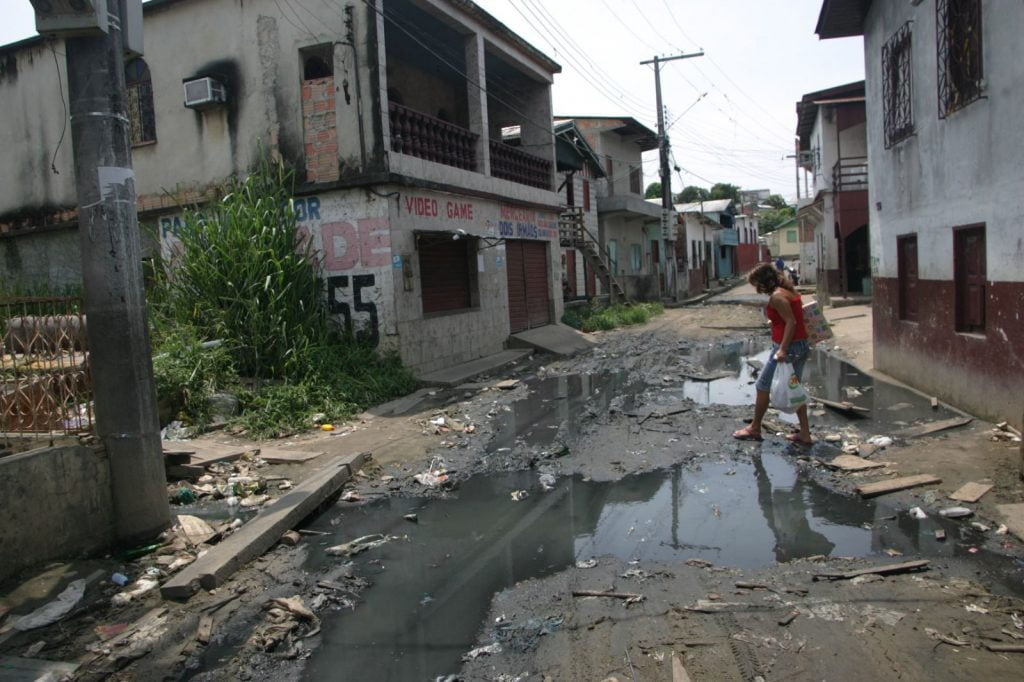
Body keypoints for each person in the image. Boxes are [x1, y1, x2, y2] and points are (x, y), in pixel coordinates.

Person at [733, 263, 813, 444]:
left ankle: (754, 428)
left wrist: (782, 349)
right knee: (795, 389)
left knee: (762, 386)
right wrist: (774, 322)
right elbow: (789, 318)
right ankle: (805, 434)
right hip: (800, 345)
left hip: (787, 348)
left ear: (763, 281)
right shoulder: (788, 291)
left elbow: (791, 322)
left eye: (756, 284)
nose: (757, 288)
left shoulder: (777, 296)